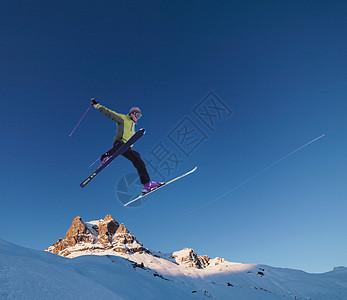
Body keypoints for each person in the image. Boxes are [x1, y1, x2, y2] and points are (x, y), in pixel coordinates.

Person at [91, 98, 162, 193]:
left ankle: (147, 184)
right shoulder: (123, 118)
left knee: (138, 159)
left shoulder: (133, 125)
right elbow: (110, 113)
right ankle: (105, 157)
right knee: (120, 146)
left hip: (127, 148)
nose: (138, 117)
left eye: (140, 115)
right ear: (132, 114)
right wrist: (97, 106)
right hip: (119, 143)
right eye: (137, 115)